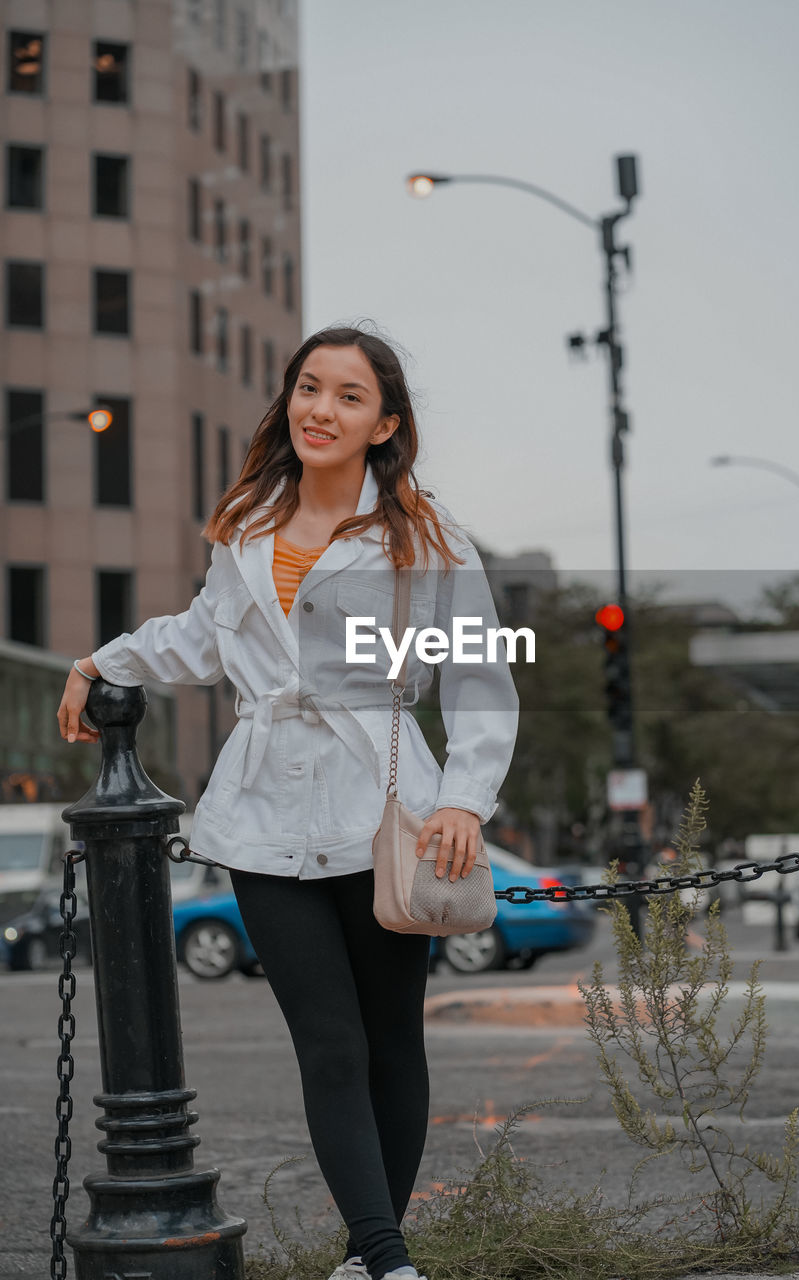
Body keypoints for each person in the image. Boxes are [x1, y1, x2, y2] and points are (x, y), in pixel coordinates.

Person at [57, 324, 519, 1280]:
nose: (321, 408)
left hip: (385, 808)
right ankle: (389, 1259)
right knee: (329, 1040)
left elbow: (477, 679)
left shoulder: (429, 540)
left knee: (391, 1038)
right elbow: (200, 637)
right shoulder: (248, 528)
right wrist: (105, 659)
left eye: (349, 396)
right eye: (310, 388)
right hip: (263, 816)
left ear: (383, 423)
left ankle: (366, 1256)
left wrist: (466, 801)